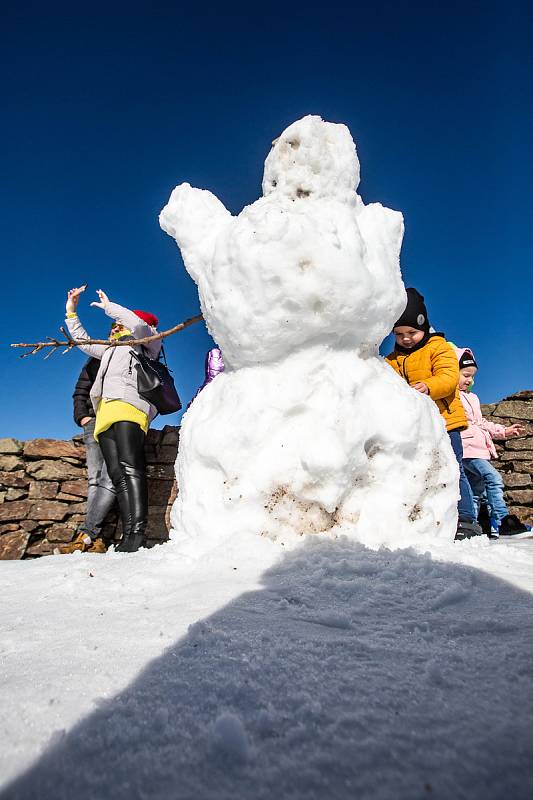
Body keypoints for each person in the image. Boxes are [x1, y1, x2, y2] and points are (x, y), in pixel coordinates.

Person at [65, 285, 161, 552]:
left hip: (130, 408)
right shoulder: (109, 350)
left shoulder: (146, 343)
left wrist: (111, 309)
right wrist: (71, 311)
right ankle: (128, 533)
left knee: (131, 467)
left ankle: (137, 533)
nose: (115, 327)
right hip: (105, 413)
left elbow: (137, 325)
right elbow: (81, 340)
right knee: (118, 474)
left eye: (120, 323)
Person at [385, 288, 483, 541]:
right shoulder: (393, 359)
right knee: (424, 468)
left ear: (424, 326)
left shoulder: (439, 347)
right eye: (399, 334)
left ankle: (467, 519)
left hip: (446, 422)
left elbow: (449, 378)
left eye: (412, 333)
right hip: (418, 427)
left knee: (454, 469)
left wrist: (428, 386)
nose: (406, 339)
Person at [455, 347, 532, 539]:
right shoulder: (452, 396)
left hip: (480, 451)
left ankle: (470, 526)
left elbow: (481, 422)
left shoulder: (473, 397)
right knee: (494, 478)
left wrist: (504, 431)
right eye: (465, 375)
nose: (469, 380)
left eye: (472, 377)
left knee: (475, 491)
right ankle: (503, 520)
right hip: (467, 449)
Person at [60, 359, 117, 553]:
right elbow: (80, 391)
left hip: (117, 421)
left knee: (109, 479)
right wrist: (83, 417)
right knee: (94, 480)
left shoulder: (133, 356)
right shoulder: (96, 359)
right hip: (93, 421)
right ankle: (94, 539)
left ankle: (87, 535)